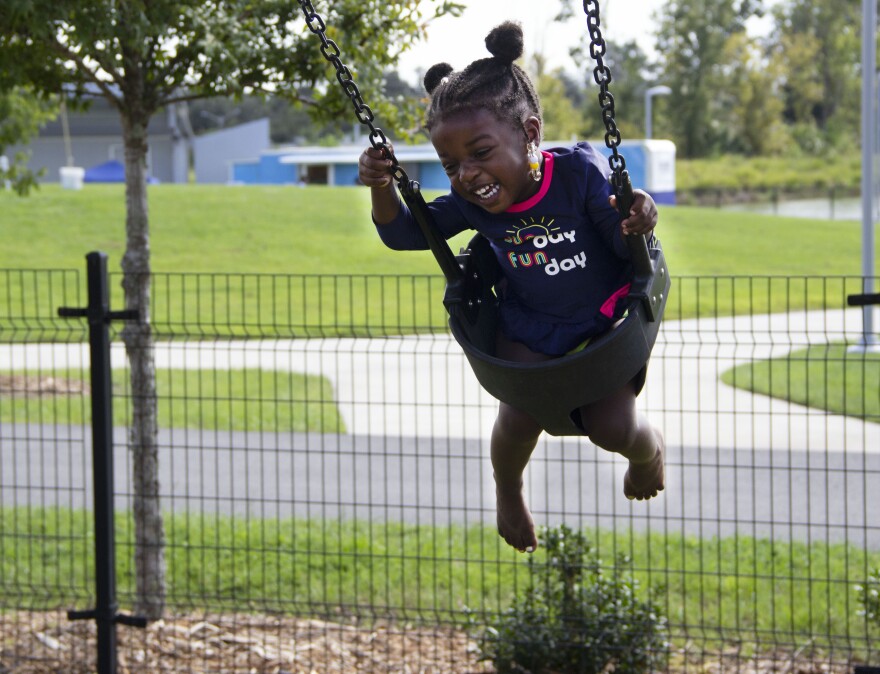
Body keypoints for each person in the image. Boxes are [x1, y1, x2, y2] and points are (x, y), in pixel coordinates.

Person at [358, 21, 665, 553]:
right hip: (528, 322)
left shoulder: (577, 174)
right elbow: (408, 233)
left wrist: (636, 215)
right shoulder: (471, 205)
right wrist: (384, 186)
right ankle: (508, 490)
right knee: (516, 419)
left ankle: (648, 455)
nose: (467, 174)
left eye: (480, 152)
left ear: (528, 132)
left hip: (600, 321)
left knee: (613, 428)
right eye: (451, 164)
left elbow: (622, 244)